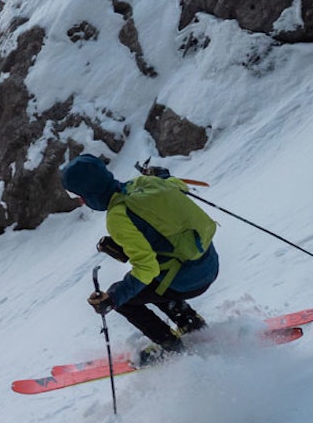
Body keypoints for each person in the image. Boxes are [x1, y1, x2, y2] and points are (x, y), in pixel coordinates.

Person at [60, 154, 219, 362]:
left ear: (90, 193)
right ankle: (191, 324)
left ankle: (171, 347)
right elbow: (178, 186)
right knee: (153, 279)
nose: (81, 201)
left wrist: (113, 299)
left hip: (188, 281)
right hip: (209, 263)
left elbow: (147, 268)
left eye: (78, 196)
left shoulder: (118, 216)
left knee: (126, 295)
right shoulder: (144, 182)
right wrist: (162, 176)